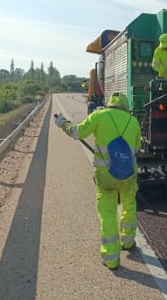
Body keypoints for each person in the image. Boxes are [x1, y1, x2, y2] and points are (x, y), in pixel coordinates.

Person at [54, 93, 141, 270]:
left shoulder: (99, 116)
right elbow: (137, 148)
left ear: (110, 104)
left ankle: (111, 259)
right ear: (125, 106)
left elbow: (76, 133)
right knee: (129, 206)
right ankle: (128, 241)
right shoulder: (133, 121)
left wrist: (63, 123)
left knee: (108, 213)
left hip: (106, 176)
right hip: (129, 174)